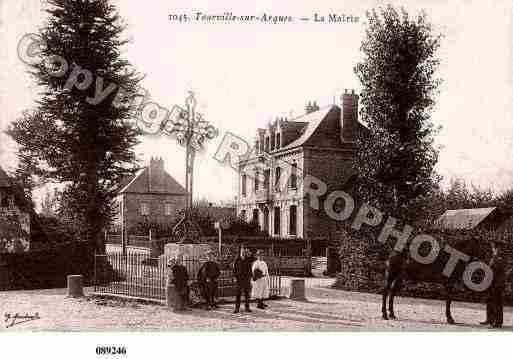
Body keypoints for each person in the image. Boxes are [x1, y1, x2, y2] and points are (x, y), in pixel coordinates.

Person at [233, 247, 255, 313]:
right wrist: (234, 277)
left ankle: (247, 307)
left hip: (246, 279)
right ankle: (237, 308)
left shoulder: (248, 259)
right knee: (238, 295)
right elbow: (234, 269)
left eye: (244, 252)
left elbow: (253, 260)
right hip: (239, 279)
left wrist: (249, 253)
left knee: (247, 294)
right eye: (242, 252)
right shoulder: (237, 260)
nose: (243, 253)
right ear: (240, 252)